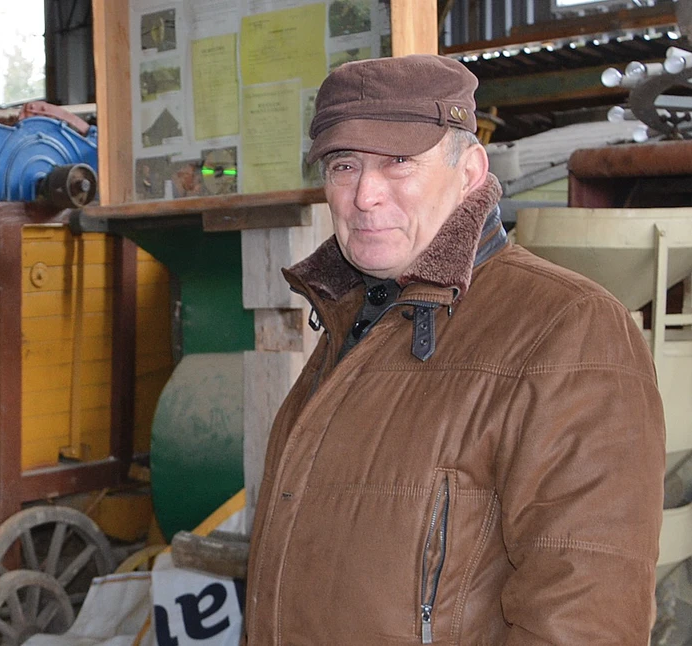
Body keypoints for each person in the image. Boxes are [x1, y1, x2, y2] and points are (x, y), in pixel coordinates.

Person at [244, 54, 665, 645]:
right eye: (344, 165)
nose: (366, 194)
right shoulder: (353, 315)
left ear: (470, 171)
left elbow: (585, 620)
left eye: (399, 162)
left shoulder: (568, 330)